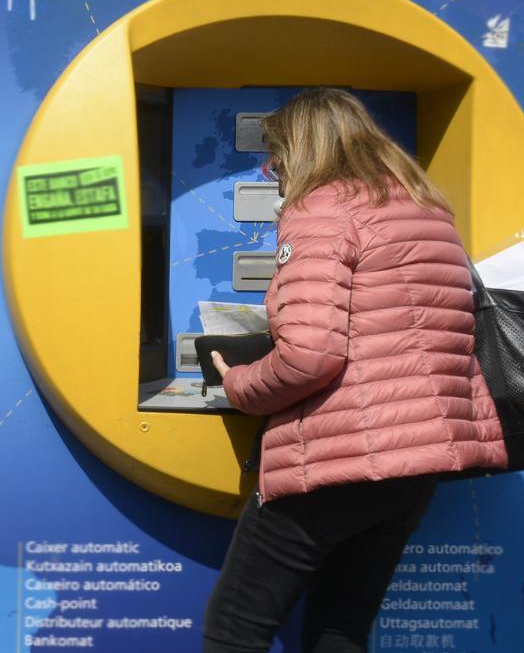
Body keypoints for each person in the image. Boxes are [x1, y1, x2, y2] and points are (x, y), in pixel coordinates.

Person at [203, 88, 508, 652]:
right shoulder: (425, 206)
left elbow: (310, 355)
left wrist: (238, 383)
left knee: (233, 631)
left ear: (302, 148)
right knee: (340, 628)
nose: (272, 172)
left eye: (276, 156)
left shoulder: (321, 209)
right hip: (416, 460)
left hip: (339, 456)